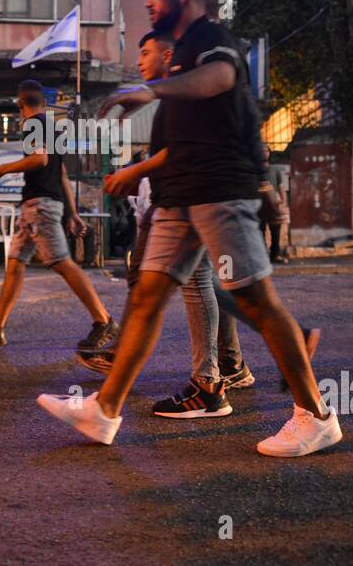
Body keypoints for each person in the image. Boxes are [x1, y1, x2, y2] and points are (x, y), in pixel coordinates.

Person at [37, 0, 342, 457]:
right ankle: (103, 410)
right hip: (178, 196)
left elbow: (220, 77)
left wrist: (152, 91)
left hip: (219, 189)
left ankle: (315, 417)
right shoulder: (179, 52)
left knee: (256, 299)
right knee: (146, 297)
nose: (147, 1)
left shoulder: (212, 38)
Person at [85, 30, 253, 419]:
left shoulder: (191, 86)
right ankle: (109, 405)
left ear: (168, 53)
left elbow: (186, 148)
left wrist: (134, 170)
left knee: (180, 290)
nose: (140, 60)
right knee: (172, 289)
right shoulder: (177, 93)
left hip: (194, 198)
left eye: (146, 52)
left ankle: (210, 384)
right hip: (182, 199)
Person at [0, 80, 119, 350]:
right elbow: (61, 173)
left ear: (20, 104)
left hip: (41, 207)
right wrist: (72, 213)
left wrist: (2, 169)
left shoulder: (33, 125)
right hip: (40, 206)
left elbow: (40, 160)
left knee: (61, 262)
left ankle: (103, 320)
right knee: (15, 263)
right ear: (44, 103)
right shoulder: (53, 128)